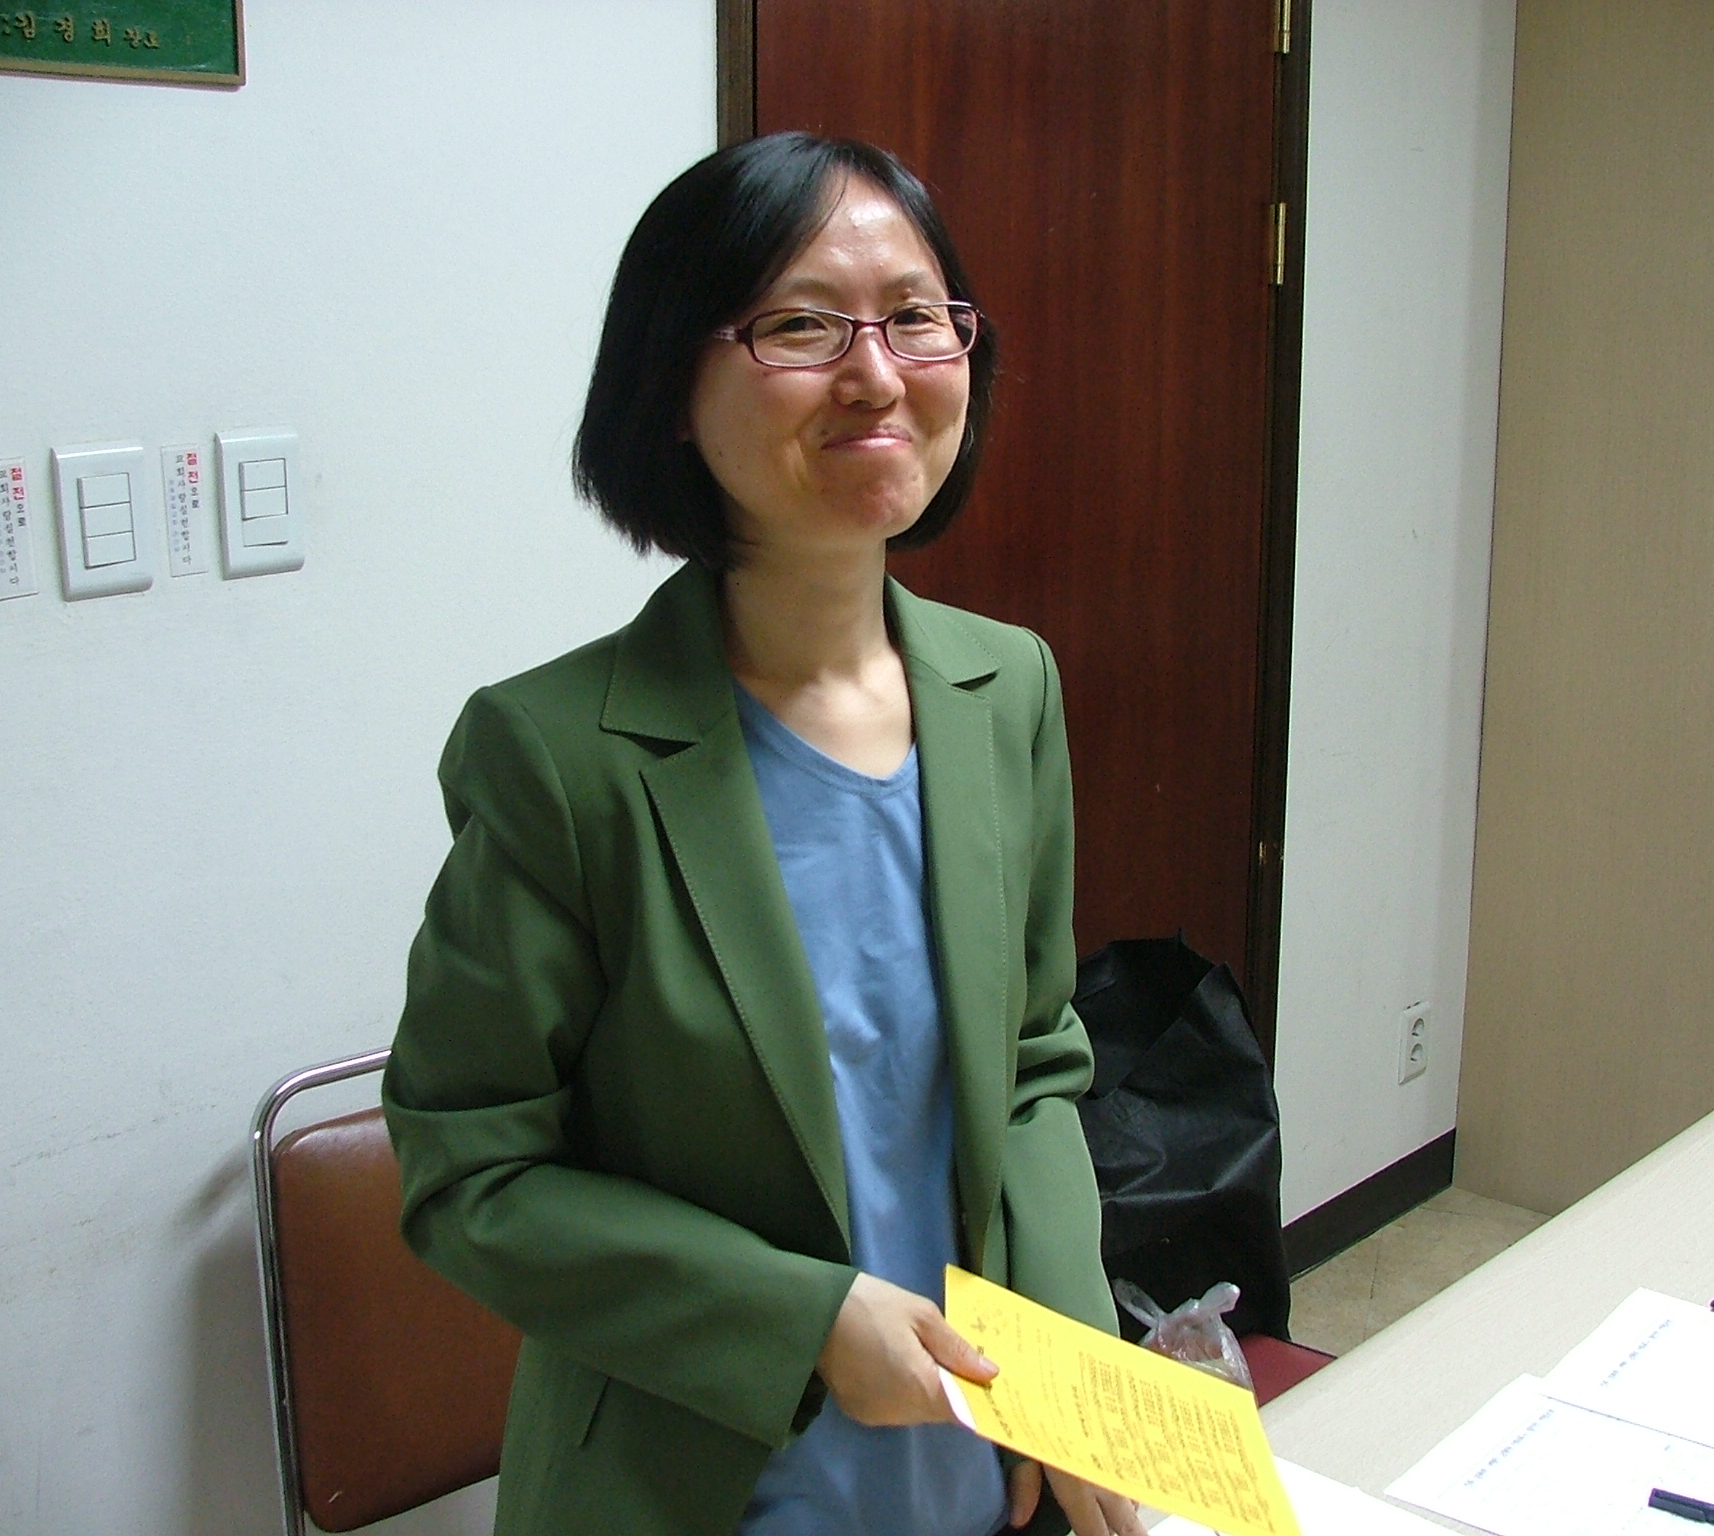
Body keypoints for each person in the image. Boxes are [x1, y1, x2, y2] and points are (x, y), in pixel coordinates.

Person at [382, 133, 1144, 1536]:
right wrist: (804, 1321)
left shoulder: (1004, 689)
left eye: (916, 317)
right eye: (801, 326)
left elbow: (1036, 1057)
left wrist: (1076, 1353)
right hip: (697, 1483)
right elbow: (470, 1171)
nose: (877, 374)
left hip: (978, 1464)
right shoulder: (557, 758)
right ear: (673, 387)